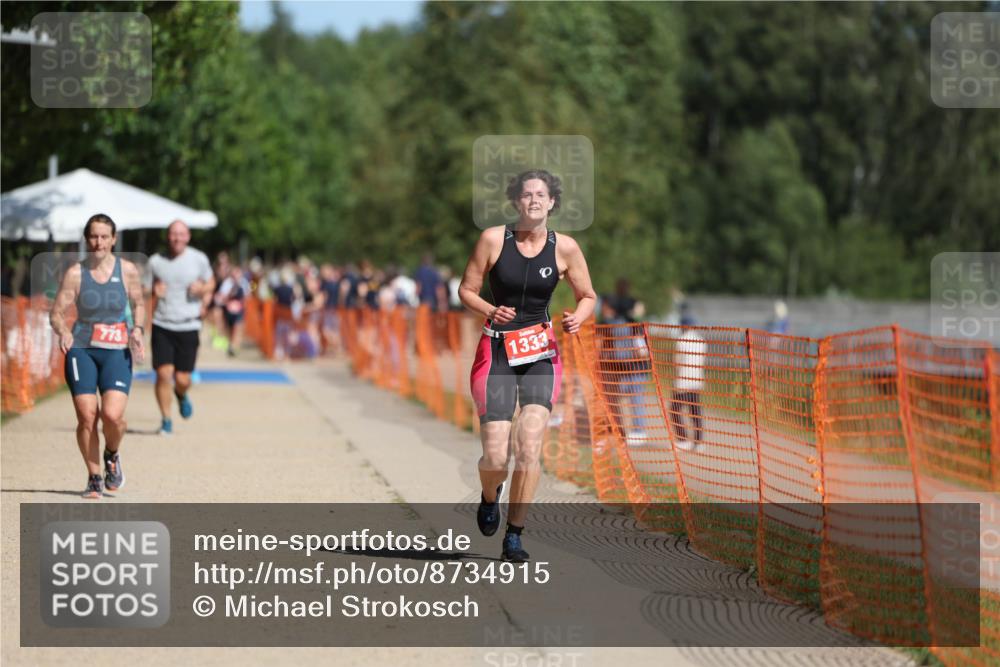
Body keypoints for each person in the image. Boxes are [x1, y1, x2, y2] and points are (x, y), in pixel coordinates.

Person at [459, 169, 596, 562]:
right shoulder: (492, 239)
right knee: (496, 456)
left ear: (552, 202)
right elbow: (466, 289)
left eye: (541, 194)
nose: (534, 200)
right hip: (498, 351)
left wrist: (579, 317)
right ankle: (490, 495)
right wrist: (490, 309)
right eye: (527, 195)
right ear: (516, 202)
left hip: (540, 354)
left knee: (530, 444)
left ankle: (514, 535)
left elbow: (588, 294)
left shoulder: (566, 248)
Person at [50, 214, 146, 498]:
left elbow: (139, 302)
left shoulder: (127, 270)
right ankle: (94, 476)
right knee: (87, 416)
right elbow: (56, 312)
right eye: (94, 236)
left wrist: (138, 329)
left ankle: (112, 454)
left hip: (116, 350)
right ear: (86, 238)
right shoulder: (76, 274)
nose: (99, 242)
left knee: (113, 416)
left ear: (113, 239)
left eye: (104, 236)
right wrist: (63, 331)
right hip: (82, 349)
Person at [148, 220, 214, 435]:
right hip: (162, 323)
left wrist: (203, 288)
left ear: (188, 237)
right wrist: (153, 291)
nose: (177, 238)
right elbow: (141, 288)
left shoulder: (199, 259)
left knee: (182, 379)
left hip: (188, 324)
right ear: (168, 236)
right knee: (163, 374)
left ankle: (182, 394)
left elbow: (212, 282)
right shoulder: (156, 261)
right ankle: (166, 420)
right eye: (173, 234)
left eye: (181, 234)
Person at [599, 296, 654, 446]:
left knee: (634, 399)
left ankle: (636, 432)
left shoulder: (629, 326)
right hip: (623, 369)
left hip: (634, 370)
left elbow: (642, 351)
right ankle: (622, 429)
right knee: (622, 398)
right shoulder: (622, 325)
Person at [670, 314, 707, 452]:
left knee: (674, 410)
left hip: (683, 381)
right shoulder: (701, 341)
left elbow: (677, 362)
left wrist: (675, 380)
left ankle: (683, 440)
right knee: (695, 412)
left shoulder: (681, 341)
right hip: (697, 381)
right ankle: (698, 442)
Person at [216, 265, 251, 357]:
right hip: (228, 311)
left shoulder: (244, 283)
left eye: (238, 273)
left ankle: (235, 347)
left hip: (239, 310)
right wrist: (229, 297)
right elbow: (221, 297)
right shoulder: (227, 283)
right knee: (230, 329)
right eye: (234, 273)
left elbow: (248, 296)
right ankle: (230, 344)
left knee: (238, 328)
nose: (236, 275)